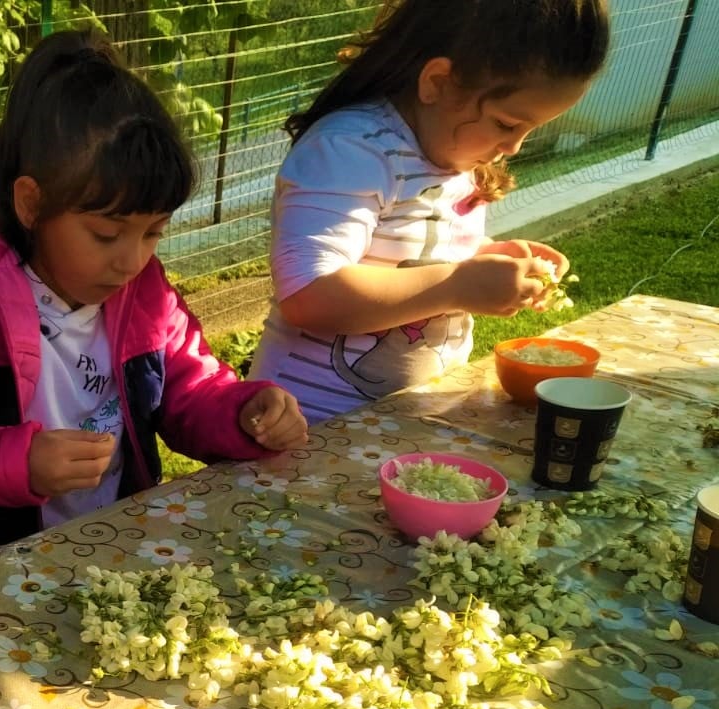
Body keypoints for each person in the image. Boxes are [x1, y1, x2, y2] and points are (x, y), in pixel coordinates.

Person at [0, 30, 307, 575]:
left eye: (154, 233)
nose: (132, 260)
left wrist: (244, 412)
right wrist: (17, 462)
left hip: (111, 557)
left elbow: (190, 389)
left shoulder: (144, 292)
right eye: (106, 234)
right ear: (32, 204)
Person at [247, 0, 610, 422]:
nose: (513, 148)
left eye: (532, 129)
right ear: (437, 82)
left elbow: (407, 255)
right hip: (306, 430)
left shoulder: (454, 151)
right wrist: (458, 283)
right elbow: (309, 295)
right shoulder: (350, 149)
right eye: (508, 124)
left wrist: (485, 260)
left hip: (405, 420)